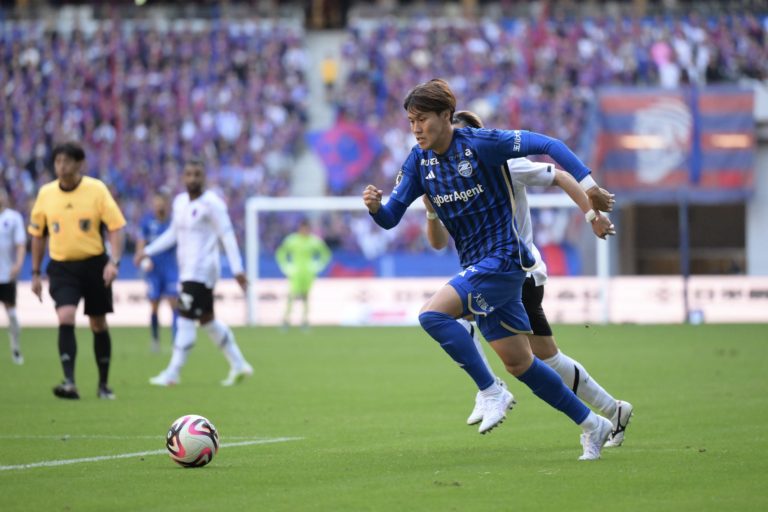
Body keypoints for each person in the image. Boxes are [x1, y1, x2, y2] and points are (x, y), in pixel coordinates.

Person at [363, 79, 615, 460]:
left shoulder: (482, 144)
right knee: (521, 363)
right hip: (478, 266)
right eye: (411, 121)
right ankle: (593, 425)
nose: (416, 129)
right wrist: (374, 208)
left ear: (446, 116)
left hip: (504, 259)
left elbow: (549, 145)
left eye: (422, 119)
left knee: (431, 315)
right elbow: (390, 218)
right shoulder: (418, 162)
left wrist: (589, 186)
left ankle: (490, 391)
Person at [424, 110, 633, 448]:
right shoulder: (447, 177)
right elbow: (436, 244)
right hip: (493, 269)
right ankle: (612, 410)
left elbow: (561, 177)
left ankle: (490, 389)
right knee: (545, 358)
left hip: (519, 272)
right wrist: (431, 209)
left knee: (449, 315)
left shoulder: (501, 163)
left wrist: (592, 215)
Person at [137, 159, 253, 387]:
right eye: (189, 174)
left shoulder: (213, 204)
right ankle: (239, 364)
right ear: (183, 178)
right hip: (186, 271)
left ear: (204, 178)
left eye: (197, 174)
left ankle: (172, 373)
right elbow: (173, 233)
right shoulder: (180, 202)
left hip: (202, 271)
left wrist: (238, 269)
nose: (193, 179)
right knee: (207, 321)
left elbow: (227, 235)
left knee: (185, 319)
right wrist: (147, 251)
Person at [28, 142, 126, 400]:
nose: (61, 166)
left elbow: (116, 226)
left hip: (95, 265)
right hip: (62, 267)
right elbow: (38, 235)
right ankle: (69, 381)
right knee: (66, 316)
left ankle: (103, 385)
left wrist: (114, 262)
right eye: (58, 161)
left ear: (79, 163)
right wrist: (35, 272)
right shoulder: (46, 194)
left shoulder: (96, 190)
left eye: (66, 161)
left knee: (98, 323)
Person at [133, 191, 179, 352]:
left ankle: (176, 342)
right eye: (157, 202)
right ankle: (155, 340)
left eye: (162, 202)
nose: (159, 206)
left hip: (170, 268)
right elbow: (141, 243)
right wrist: (143, 259)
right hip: (153, 269)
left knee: (174, 303)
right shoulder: (147, 222)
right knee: (154, 305)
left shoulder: (173, 222)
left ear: (167, 204)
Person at [275, 218, 332, 330]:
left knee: (306, 296)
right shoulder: (292, 240)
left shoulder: (314, 241)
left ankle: (304, 320)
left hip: (308, 273)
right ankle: (286, 320)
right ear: (299, 228)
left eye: (306, 229)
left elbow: (326, 254)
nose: (304, 231)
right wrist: (286, 266)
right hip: (295, 272)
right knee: (292, 295)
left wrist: (317, 266)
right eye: (303, 228)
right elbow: (281, 253)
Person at [0, 188, 26, 365]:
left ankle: (15, 348)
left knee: (12, 314)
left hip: (6, 274)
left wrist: (18, 264)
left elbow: (20, 244)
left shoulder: (13, 218)